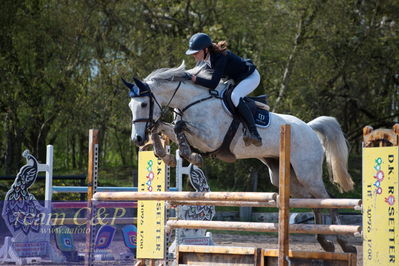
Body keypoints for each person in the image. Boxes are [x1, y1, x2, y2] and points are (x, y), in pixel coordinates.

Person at [185, 32, 262, 147]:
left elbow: (212, 84)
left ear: (206, 49)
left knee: (235, 96)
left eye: (196, 52)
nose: (194, 55)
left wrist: (195, 79)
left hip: (250, 77)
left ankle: (254, 132)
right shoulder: (206, 60)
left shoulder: (220, 57)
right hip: (236, 79)